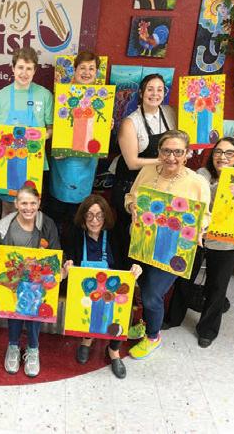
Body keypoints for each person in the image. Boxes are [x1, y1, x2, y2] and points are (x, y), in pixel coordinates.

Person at [124, 130, 210, 359]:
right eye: (166, 151)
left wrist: (200, 228)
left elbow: (205, 216)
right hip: (142, 242)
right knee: (142, 285)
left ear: (187, 153)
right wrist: (132, 207)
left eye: (178, 152)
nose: (171, 157)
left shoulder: (197, 182)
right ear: (159, 151)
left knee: (152, 294)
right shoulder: (147, 171)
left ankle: (153, 336)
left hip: (173, 249)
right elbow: (131, 197)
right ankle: (145, 323)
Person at [164, 137, 234, 348]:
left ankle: (207, 330)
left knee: (217, 286)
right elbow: (202, 201)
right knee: (183, 279)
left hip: (225, 243)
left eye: (229, 153)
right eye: (218, 151)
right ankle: (173, 318)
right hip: (195, 238)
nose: (222, 157)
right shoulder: (201, 174)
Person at [64, 194, 142, 379]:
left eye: (99, 215)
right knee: (87, 313)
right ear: (83, 216)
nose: (94, 220)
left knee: (120, 314)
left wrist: (135, 266)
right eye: (90, 215)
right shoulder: (75, 234)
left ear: (105, 216)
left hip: (113, 289)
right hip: (87, 289)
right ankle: (87, 340)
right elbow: (69, 256)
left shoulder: (116, 233)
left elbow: (129, 257)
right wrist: (68, 264)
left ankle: (113, 350)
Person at [0, 186, 62, 377]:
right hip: (14, 279)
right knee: (12, 307)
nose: (28, 208)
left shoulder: (47, 224)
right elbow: (0, 258)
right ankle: (13, 346)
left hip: (38, 280)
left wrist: (62, 270)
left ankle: (33, 348)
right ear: (16, 204)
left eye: (32, 203)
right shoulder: (4, 227)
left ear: (39, 203)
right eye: (23, 203)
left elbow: (55, 254)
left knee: (34, 304)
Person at [113, 74, 177, 267]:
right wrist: (166, 160)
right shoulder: (130, 122)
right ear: (141, 93)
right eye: (150, 89)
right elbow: (132, 162)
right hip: (132, 185)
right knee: (130, 235)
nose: (155, 93)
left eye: (159, 89)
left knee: (153, 233)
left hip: (158, 184)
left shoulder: (170, 113)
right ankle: (125, 275)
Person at [0, 46, 54, 217]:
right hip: (5, 164)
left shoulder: (45, 95)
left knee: (30, 210)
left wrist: (42, 136)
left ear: (35, 70)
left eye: (29, 68)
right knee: (8, 209)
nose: (24, 73)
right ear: (13, 68)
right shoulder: (0, 97)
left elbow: (51, 128)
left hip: (34, 163)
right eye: (20, 67)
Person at [45, 51, 102, 249]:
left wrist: (106, 126)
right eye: (82, 67)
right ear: (75, 70)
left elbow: (100, 137)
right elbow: (52, 127)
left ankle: (73, 259)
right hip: (62, 164)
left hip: (87, 166)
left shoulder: (101, 99)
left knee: (78, 222)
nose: (87, 72)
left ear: (97, 72)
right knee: (55, 220)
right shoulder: (62, 97)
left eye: (91, 68)